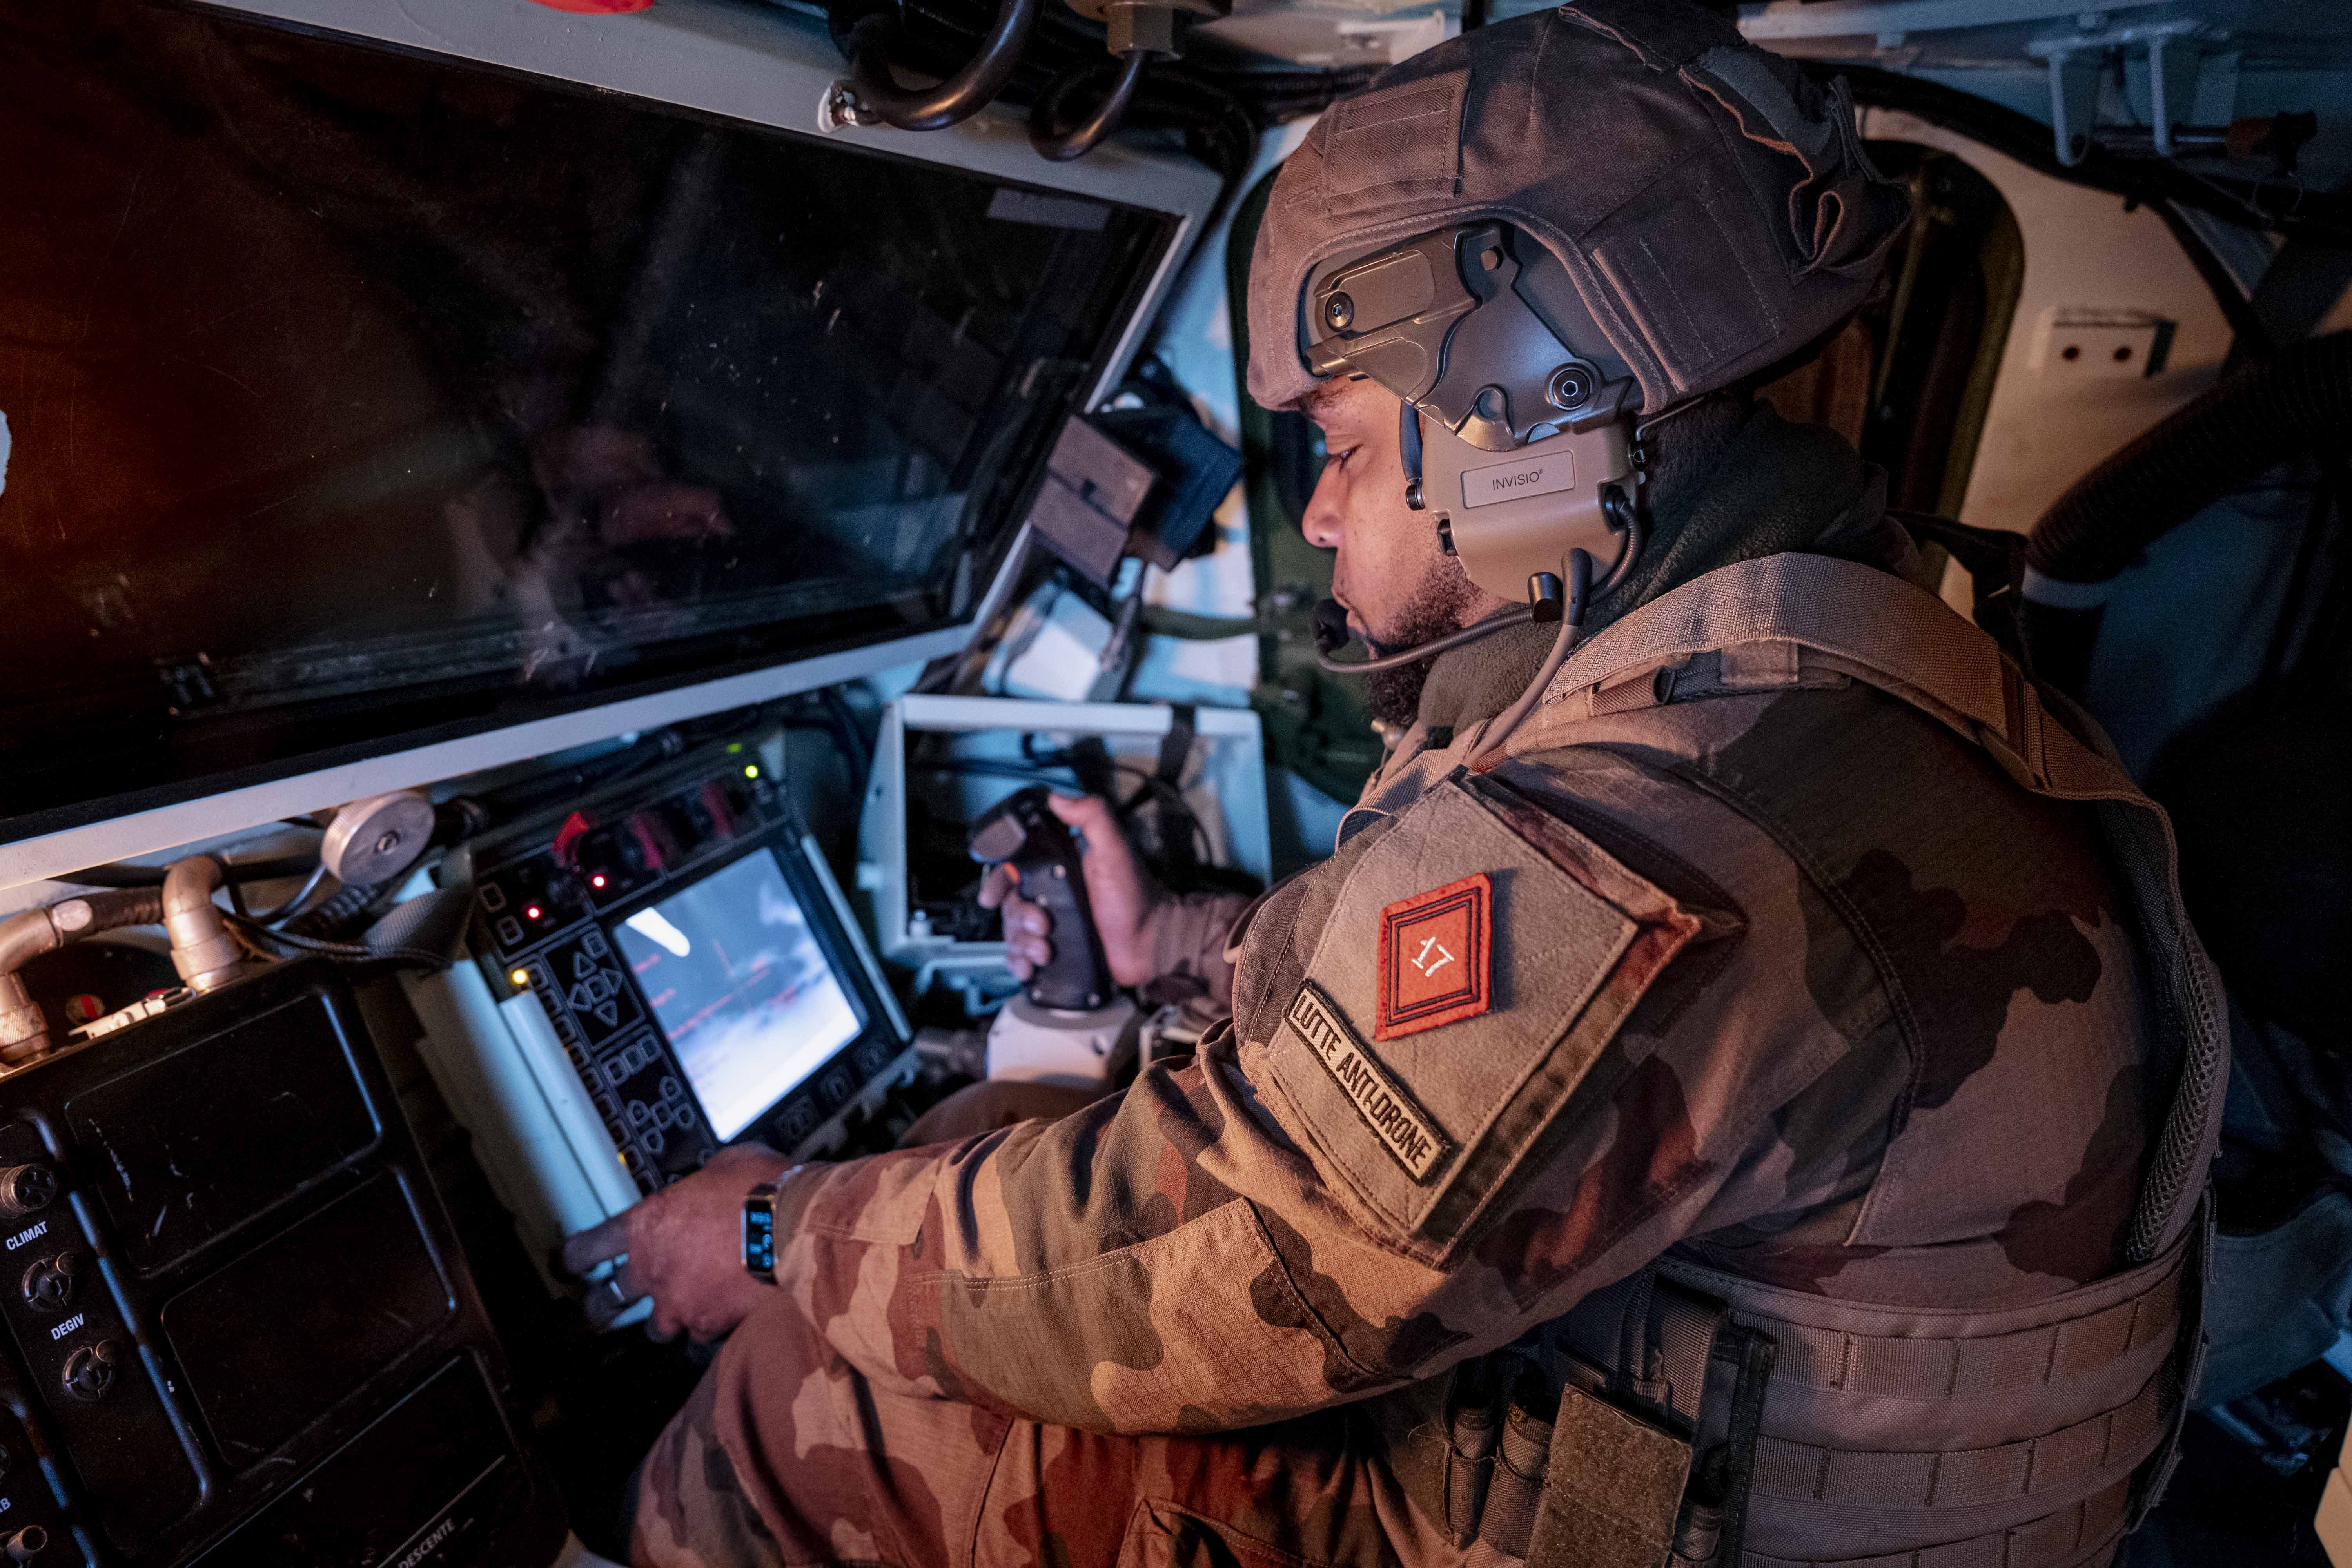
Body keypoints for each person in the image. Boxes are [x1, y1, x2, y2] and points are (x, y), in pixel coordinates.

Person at [564, 3, 2226, 1564]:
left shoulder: (1671, 816)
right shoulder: (1819, 648)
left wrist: (775, 1230)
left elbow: (1210, 1274)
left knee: (826, 1386)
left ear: (1528, 410)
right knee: (997, 1143)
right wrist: (1181, 946)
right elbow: (1518, 1042)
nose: (1318, 521)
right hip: (1799, 1483)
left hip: (1698, 1526)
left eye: (1341, 444)